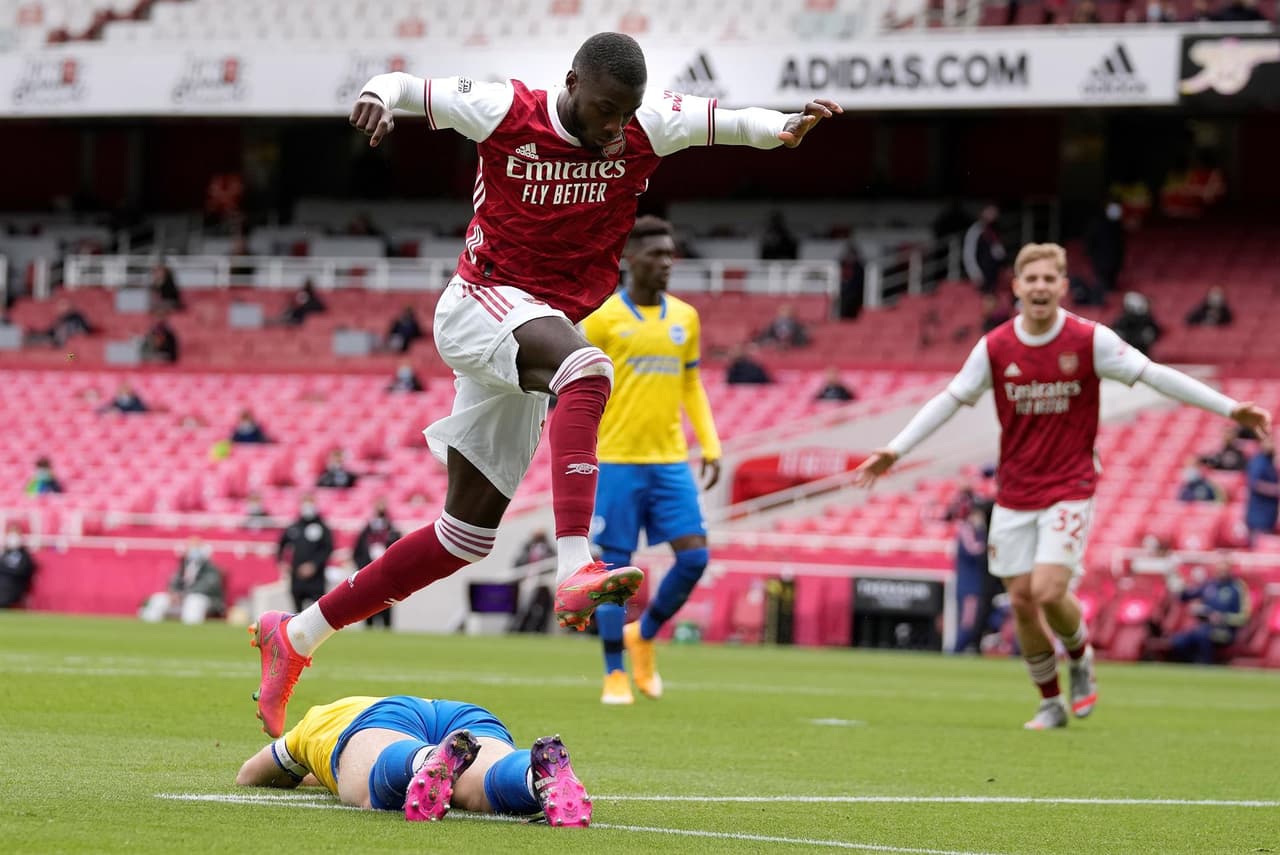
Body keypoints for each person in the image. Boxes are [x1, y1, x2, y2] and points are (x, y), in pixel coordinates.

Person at [248, 31, 841, 738]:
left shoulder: (644, 128)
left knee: (462, 537)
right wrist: (379, 93)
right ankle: (575, 565)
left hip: (534, 329)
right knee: (588, 367)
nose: (614, 126)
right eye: (603, 109)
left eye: (626, 113)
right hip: (481, 303)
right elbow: (411, 87)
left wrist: (785, 127)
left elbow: (727, 121)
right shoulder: (507, 111)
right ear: (571, 83)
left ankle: (298, 634)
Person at [852, 242, 1272, 730]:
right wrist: (895, 451)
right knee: (1023, 603)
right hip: (1014, 492)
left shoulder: (1088, 340)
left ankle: (1081, 658)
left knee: (1050, 591)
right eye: (1030, 279)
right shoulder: (995, 348)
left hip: (1069, 485)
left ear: (1062, 286)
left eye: (1049, 279)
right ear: (1016, 287)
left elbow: (1154, 376)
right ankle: (1050, 701)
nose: (1039, 287)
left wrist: (1229, 408)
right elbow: (949, 400)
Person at [580, 216, 722, 705]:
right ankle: (614, 672)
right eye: (657, 255)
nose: (666, 263)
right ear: (628, 260)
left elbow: (691, 385)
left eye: (670, 255)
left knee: (695, 556)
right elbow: (578, 389)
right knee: (614, 571)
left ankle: (645, 634)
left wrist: (711, 442)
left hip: (669, 461)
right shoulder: (600, 319)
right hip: (617, 461)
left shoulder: (685, 318)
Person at [235, 694, 590, 826]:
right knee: (480, 787)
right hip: (461, 714)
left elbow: (250, 775)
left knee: (371, 788)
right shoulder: (328, 721)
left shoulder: (308, 728)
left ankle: (424, 760)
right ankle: (535, 779)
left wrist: (300, 762)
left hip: (384, 717)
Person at [1168, 555, 1251, 664]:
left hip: (1225, 631)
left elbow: (1244, 617)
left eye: (1224, 569)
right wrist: (1176, 580)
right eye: (1219, 569)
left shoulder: (1237, 588)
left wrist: (1223, 618)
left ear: (1230, 570)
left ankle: (1206, 664)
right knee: (1178, 641)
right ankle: (1191, 663)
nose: (1221, 572)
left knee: (1202, 635)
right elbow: (1186, 596)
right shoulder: (1209, 584)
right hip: (1204, 627)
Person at [140, 537, 226, 624]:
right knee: (159, 599)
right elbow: (174, 581)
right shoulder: (184, 565)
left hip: (206, 600)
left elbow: (205, 587)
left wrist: (183, 595)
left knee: (193, 601)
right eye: (191, 547)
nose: (193, 550)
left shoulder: (211, 568)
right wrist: (173, 594)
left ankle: (191, 632)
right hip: (181, 598)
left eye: (196, 547)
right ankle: (149, 628)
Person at [277, 496, 335, 613]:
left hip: (316, 578)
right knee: (297, 611)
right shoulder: (295, 526)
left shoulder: (322, 527)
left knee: (317, 611)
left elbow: (328, 549)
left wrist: (314, 565)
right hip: (297, 576)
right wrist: (282, 562)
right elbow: (281, 544)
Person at [353, 500, 402, 629]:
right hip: (368, 577)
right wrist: (363, 569)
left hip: (386, 578)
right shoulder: (366, 531)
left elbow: (400, 554)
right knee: (368, 609)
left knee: (386, 610)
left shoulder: (393, 531)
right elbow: (357, 553)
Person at [952, 505, 991, 654]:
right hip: (969, 587)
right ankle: (954, 652)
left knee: (971, 623)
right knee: (968, 624)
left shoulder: (971, 531)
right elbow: (973, 550)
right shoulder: (967, 530)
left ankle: (958, 651)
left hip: (973, 586)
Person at [1084, 201, 1126, 298]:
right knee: (1103, 284)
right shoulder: (1096, 223)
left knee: (1111, 284)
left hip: (1115, 260)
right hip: (1100, 260)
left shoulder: (1118, 225)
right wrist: (1093, 256)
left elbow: (1120, 245)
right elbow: (1090, 243)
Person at [962, 204, 1006, 294]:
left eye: (994, 212)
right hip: (981, 274)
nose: (992, 215)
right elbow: (968, 254)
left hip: (994, 274)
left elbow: (998, 251)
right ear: (982, 213)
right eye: (989, 212)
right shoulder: (975, 231)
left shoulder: (994, 230)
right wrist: (975, 273)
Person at [1245, 436, 1278, 544]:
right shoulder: (1258, 461)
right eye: (1268, 442)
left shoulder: (1270, 462)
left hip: (1269, 514)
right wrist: (1275, 490)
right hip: (1258, 515)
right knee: (1258, 546)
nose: (1271, 445)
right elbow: (1255, 484)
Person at [1111, 291, 1161, 357]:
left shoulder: (1147, 321)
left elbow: (1156, 333)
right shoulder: (1122, 321)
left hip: (1142, 353)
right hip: (1127, 354)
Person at [0, 524, 37, 608]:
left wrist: (5, 569)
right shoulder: (5, 553)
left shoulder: (24, 555)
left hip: (14, 587)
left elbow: (22, 571)